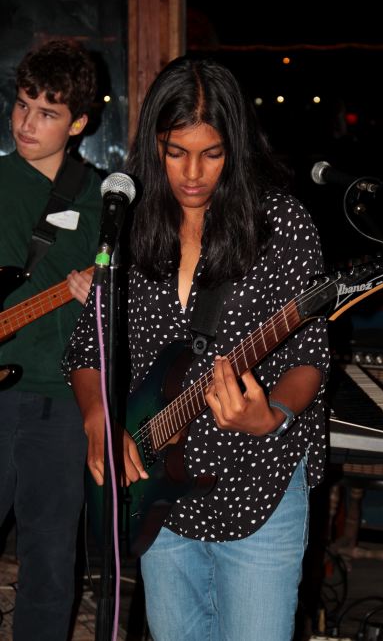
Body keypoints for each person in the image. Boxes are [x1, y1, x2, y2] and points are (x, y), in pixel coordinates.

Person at [64, 54, 330, 641]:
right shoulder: (132, 225)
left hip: (257, 486)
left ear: (236, 148)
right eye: (175, 151)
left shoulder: (281, 225)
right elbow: (89, 346)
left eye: (211, 154)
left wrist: (270, 415)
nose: (192, 173)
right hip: (159, 498)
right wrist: (97, 416)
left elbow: (308, 357)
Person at [0, 39, 102, 641]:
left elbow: (134, 299)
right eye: (22, 105)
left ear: (79, 123)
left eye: (47, 113)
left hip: (60, 399)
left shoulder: (100, 198)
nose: (26, 123)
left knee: (50, 561)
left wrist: (102, 297)